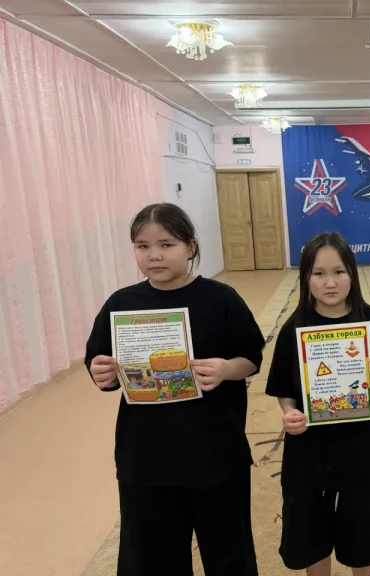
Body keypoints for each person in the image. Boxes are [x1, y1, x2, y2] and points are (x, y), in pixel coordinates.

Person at [85, 203, 265, 576]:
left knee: (228, 553)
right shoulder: (122, 304)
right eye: (143, 246)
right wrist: (101, 372)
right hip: (146, 457)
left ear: (191, 247)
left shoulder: (221, 298)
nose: (154, 255)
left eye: (166, 244)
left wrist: (225, 370)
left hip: (215, 453)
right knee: (152, 559)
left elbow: (251, 356)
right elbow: (99, 364)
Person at [266, 232, 370, 576]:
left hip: (363, 450)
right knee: (310, 530)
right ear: (305, 278)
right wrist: (289, 412)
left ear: (352, 274)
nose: (330, 283)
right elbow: (284, 388)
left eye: (339, 272)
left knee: (363, 530)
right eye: (319, 273)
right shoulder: (294, 328)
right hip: (309, 452)